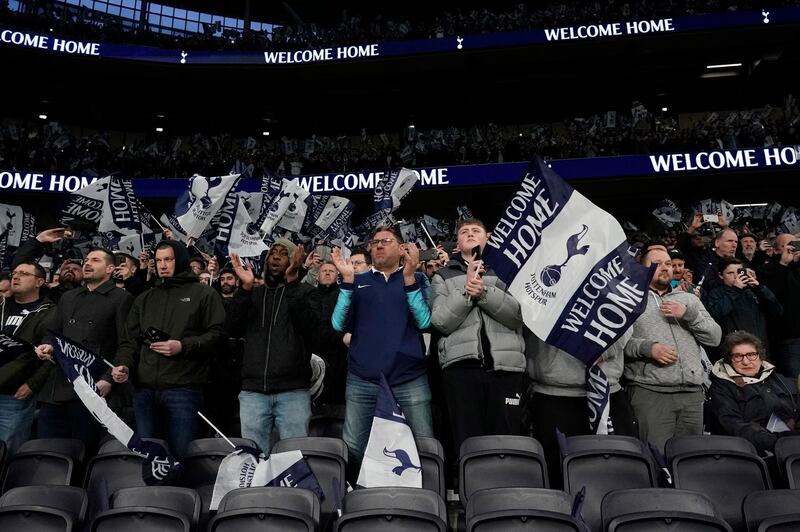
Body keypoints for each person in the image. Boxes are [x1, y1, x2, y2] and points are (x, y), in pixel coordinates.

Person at [331, 226, 433, 473]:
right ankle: (352, 500)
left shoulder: (418, 279)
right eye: (374, 242)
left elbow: (425, 322)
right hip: (362, 378)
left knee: (425, 444)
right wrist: (346, 282)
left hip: (409, 376)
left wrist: (409, 278)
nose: (378, 245)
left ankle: (431, 498)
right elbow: (337, 324)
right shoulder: (358, 280)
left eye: (386, 241)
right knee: (353, 445)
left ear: (401, 248)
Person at [111, 240, 226, 456]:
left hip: (184, 389)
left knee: (182, 455)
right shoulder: (145, 298)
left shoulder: (204, 294)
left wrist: (183, 346)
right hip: (144, 391)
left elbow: (218, 336)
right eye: (159, 260)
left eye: (169, 259)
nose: (163, 265)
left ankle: (183, 491)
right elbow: (129, 341)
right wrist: (123, 365)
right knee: (148, 457)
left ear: (180, 260)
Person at [430, 218, 526, 454]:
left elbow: (518, 316)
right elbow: (440, 321)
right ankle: (471, 491)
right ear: (458, 241)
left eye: (476, 231)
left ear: (488, 238)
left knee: (508, 442)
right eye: (464, 231)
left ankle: (507, 489)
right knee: (468, 443)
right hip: (461, 371)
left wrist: (484, 292)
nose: (470, 234)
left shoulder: (509, 270)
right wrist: (466, 291)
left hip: (506, 370)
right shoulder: (442, 275)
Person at [226, 240, 320, 454]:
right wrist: (245, 289)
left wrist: (293, 282)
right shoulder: (253, 295)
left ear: (293, 261)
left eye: (283, 253)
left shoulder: (305, 293)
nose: (276, 257)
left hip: (293, 393)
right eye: (272, 254)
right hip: (253, 393)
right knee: (255, 461)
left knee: (294, 460)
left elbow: (311, 328)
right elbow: (231, 328)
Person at [624, 248, 722, 450]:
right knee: (656, 460)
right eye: (657, 263)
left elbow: (715, 337)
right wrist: (647, 348)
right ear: (641, 267)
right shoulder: (629, 300)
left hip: (692, 394)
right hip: (650, 392)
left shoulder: (689, 300)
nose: (665, 268)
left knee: (690, 460)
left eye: (668, 263)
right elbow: (618, 343)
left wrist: (689, 315)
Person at [34, 248, 133, 449]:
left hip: (92, 387)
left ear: (110, 268)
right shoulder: (68, 297)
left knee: (81, 451)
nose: (87, 263)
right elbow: (53, 332)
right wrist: (46, 345)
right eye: (86, 260)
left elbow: (126, 343)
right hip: (57, 386)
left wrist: (108, 379)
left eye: (95, 260)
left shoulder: (121, 298)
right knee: (46, 450)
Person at [709, 331, 799, 453]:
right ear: (729, 359)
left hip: (791, 445)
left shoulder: (779, 379)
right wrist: (778, 441)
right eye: (738, 356)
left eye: (751, 355)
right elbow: (733, 425)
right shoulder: (721, 387)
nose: (746, 362)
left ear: (760, 356)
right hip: (751, 453)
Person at [0, 261, 56, 452]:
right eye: (14, 273)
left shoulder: (50, 312)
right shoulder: (2, 305)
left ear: (40, 282)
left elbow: (53, 355)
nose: (15, 276)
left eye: (23, 273)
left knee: (6, 451)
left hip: (14, 395)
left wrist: (33, 384)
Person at [706, 257, 782, 361]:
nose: (736, 276)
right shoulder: (716, 293)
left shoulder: (753, 291)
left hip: (758, 349)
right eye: (730, 273)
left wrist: (759, 288)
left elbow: (777, 311)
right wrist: (735, 290)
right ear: (720, 275)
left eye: (738, 272)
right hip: (734, 352)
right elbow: (716, 315)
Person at [760, 234, 800, 377]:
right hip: (789, 338)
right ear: (776, 249)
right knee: (794, 383)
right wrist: (783, 264)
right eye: (790, 244)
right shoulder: (768, 269)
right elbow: (772, 295)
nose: (794, 247)